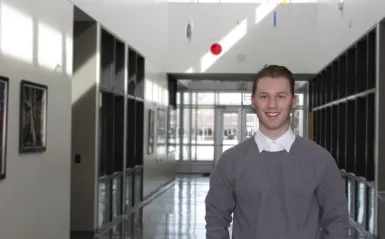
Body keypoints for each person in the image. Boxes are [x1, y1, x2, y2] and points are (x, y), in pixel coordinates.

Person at [205, 65, 349, 239]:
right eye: (264, 96)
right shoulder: (230, 161)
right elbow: (216, 221)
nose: (272, 104)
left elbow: (337, 223)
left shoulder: (320, 160)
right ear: (253, 101)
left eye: (281, 96)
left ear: (293, 101)